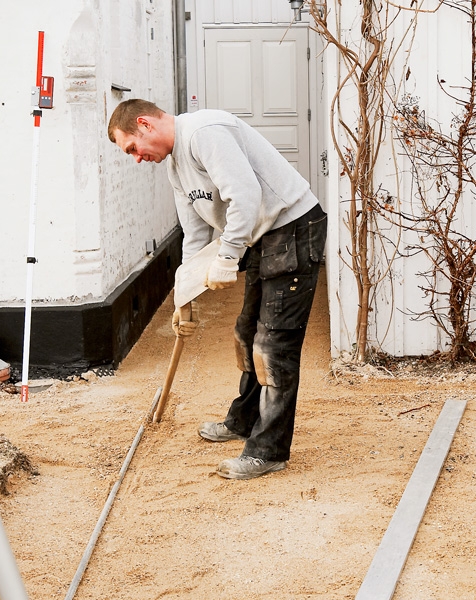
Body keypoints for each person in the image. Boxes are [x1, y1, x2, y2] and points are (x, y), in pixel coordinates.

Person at [108, 99, 327, 480]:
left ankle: (268, 451)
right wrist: (185, 296)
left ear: (144, 124)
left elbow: (245, 195)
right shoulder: (175, 164)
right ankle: (243, 420)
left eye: (132, 148)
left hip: (292, 227)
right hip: (263, 235)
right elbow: (194, 233)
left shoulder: (205, 133)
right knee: (246, 333)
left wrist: (227, 258)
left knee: (273, 346)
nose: (137, 159)